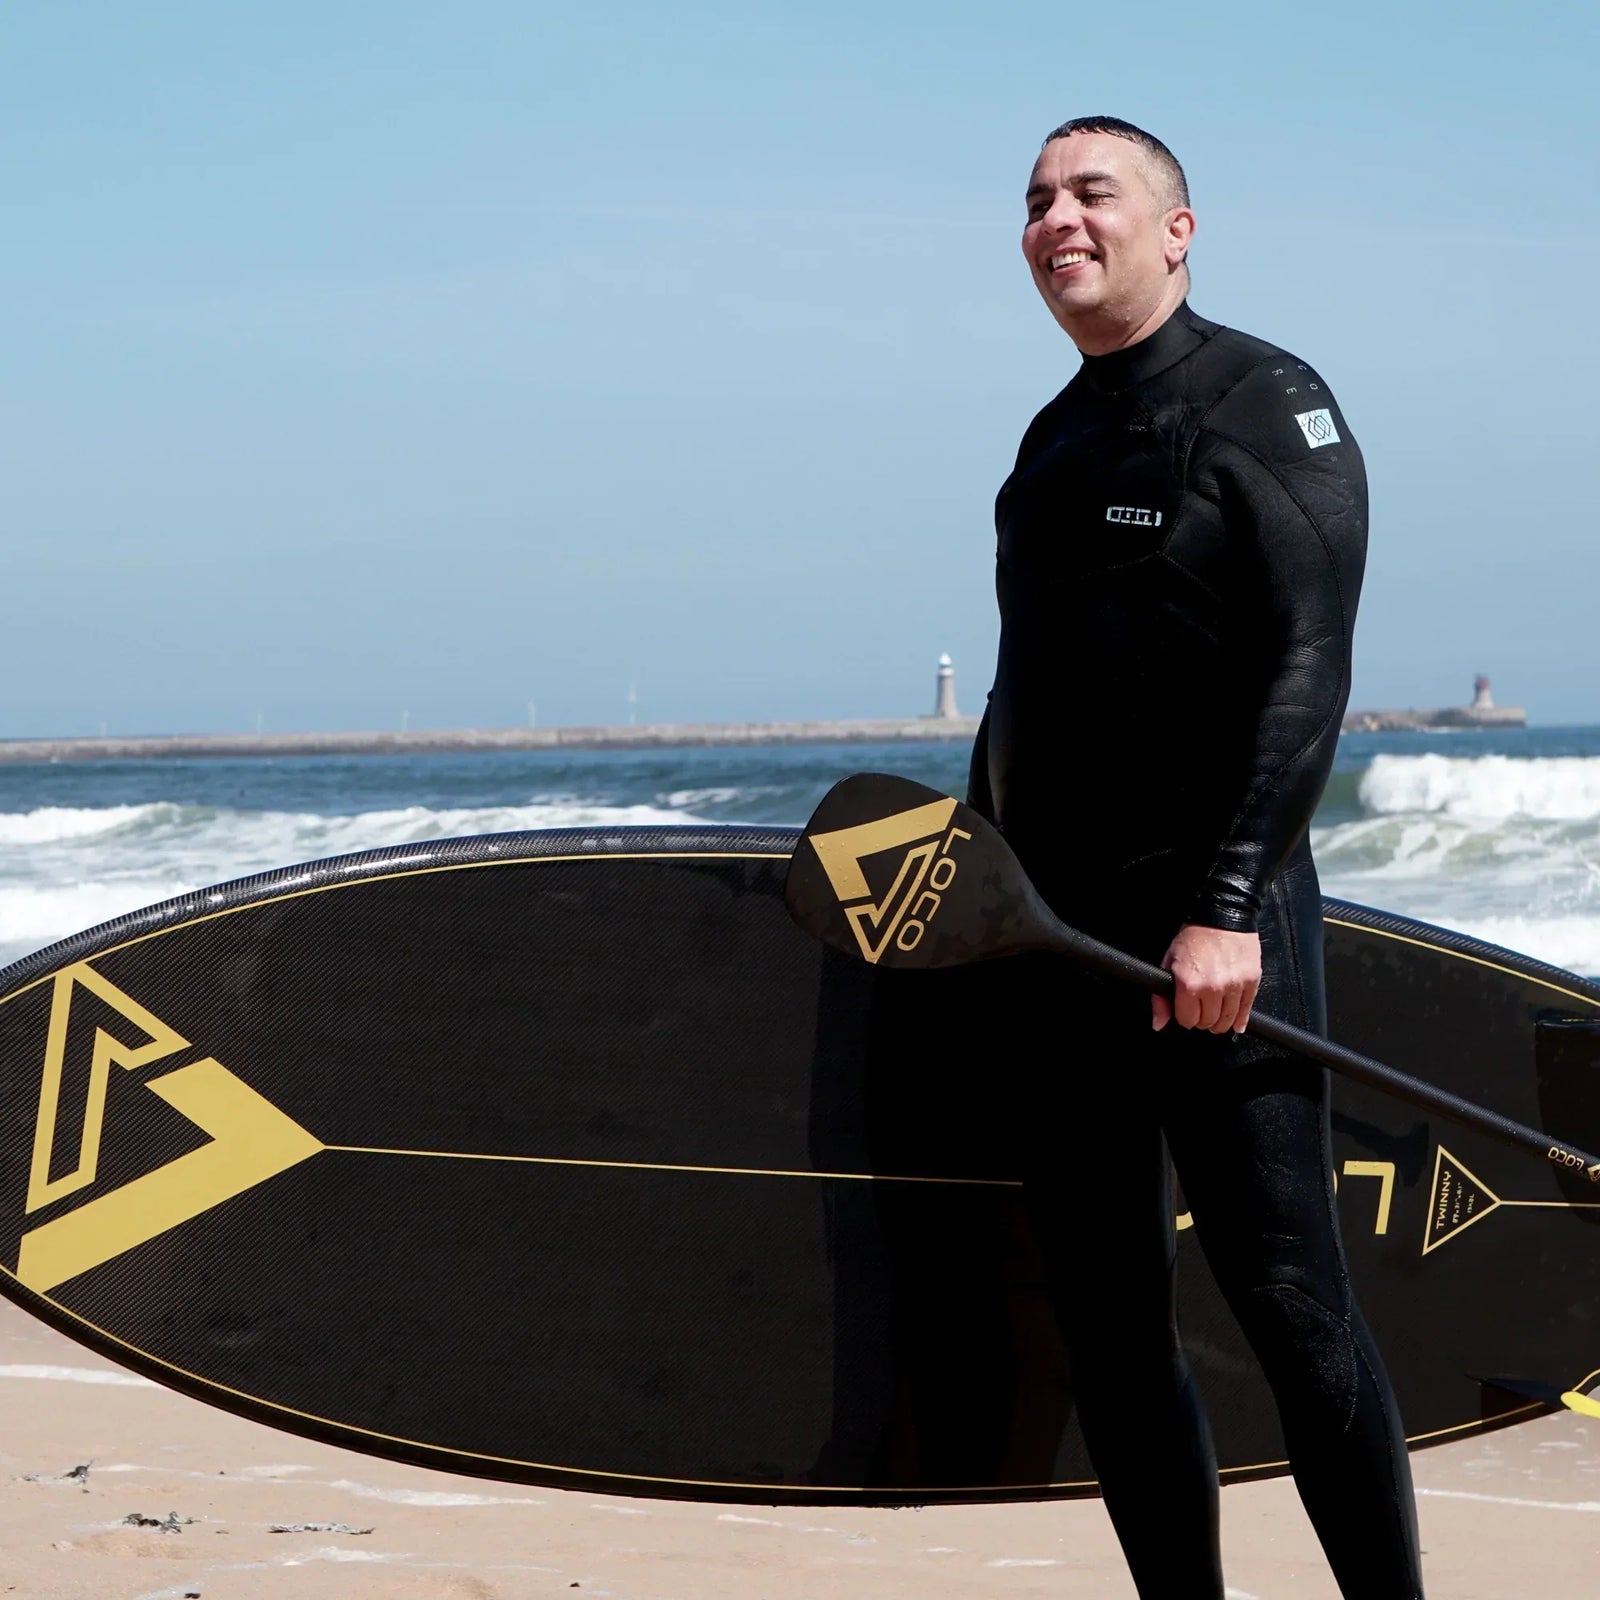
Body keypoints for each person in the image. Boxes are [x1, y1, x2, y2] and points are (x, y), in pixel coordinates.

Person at [967, 116, 1425, 1598]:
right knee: (1109, 1326)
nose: (1057, 219)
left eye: (1091, 193)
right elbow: (1023, 694)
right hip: (1060, 940)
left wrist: (1225, 909)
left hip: (1219, 932)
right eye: (1037, 200)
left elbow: (1310, 664)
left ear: (1177, 229)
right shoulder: (1052, 439)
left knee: (1289, 1302)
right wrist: (974, 886)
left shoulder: (1266, 403)